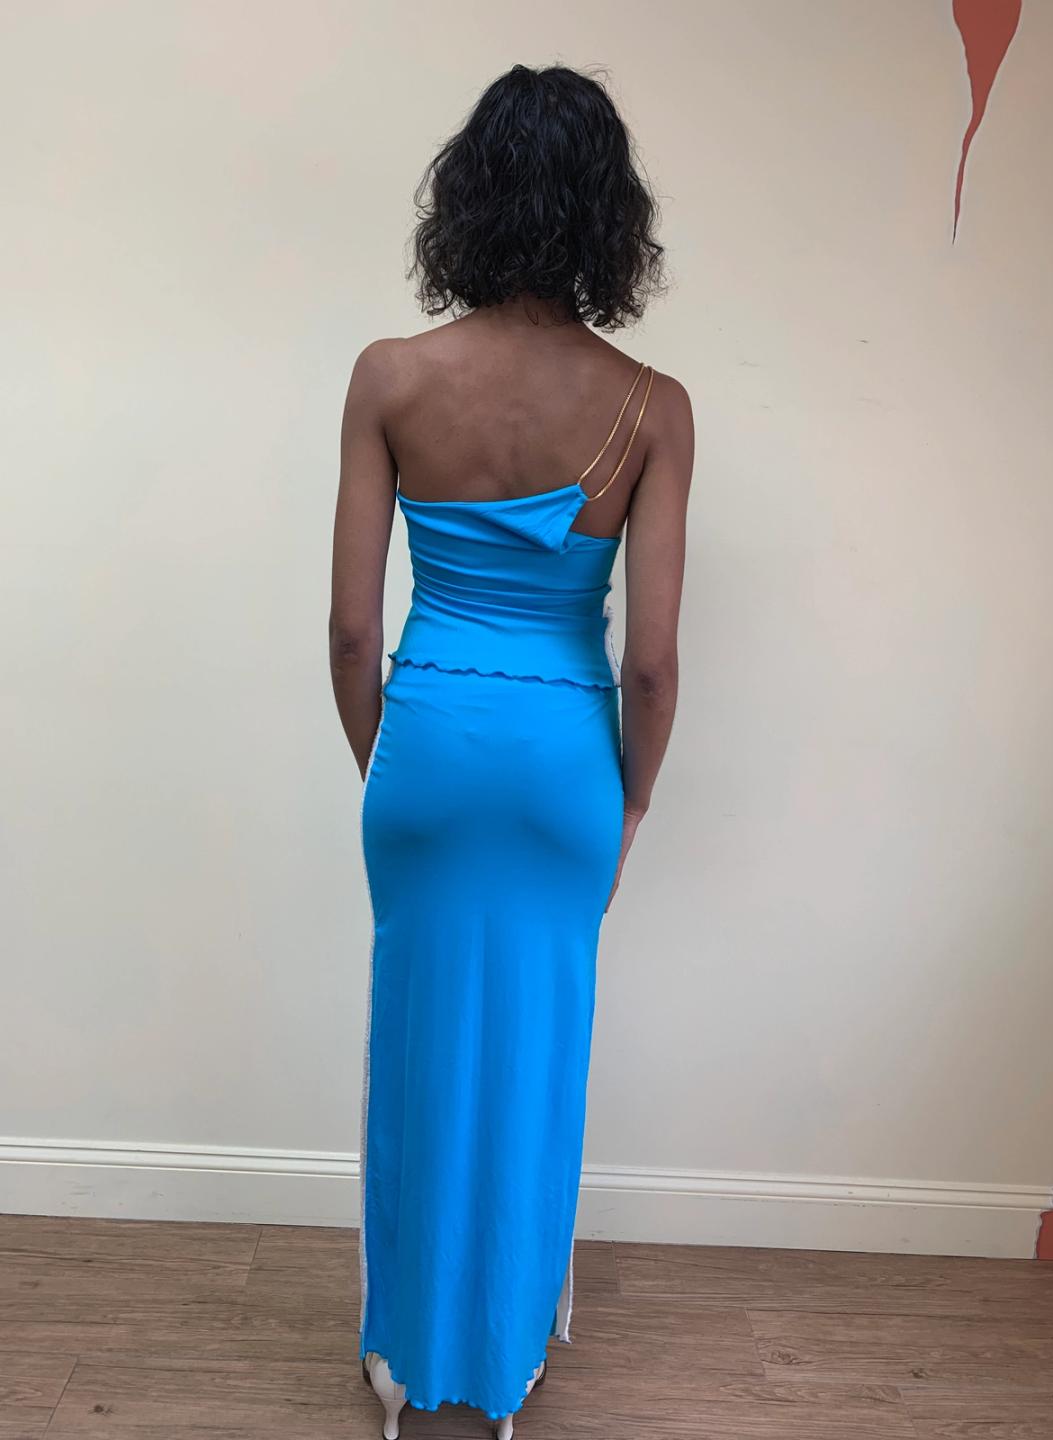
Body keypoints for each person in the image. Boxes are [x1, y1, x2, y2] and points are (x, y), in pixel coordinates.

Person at [329, 62, 694, 1439]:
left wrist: (387, 763)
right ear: (610, 216)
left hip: (427, 742)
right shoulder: (652, 405)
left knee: (420, 1039)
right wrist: (631, 800)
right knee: (540, 1048)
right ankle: (508, 1344)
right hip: (560, 763)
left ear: (469, 201)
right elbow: (650, 662)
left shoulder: (390, 377)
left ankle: (402, 1350)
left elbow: (350, 632)